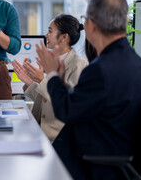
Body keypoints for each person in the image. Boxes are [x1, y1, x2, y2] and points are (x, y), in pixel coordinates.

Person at [36, 0, 141, 179]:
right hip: (120, 159)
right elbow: (87, 104)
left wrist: (54, 75)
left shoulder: (101, 69)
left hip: (96, 165)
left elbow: (67, 112)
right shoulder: (135, 62)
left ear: (91, 25)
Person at [12, 14, 88, 142]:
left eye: (50, 31)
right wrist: (29, 82)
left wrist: (42, 80)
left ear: (64, 37)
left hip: (58, 137)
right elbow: (46, 100)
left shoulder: (78, 64)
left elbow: (68, 103)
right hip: (40, 131)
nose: (46, 35)